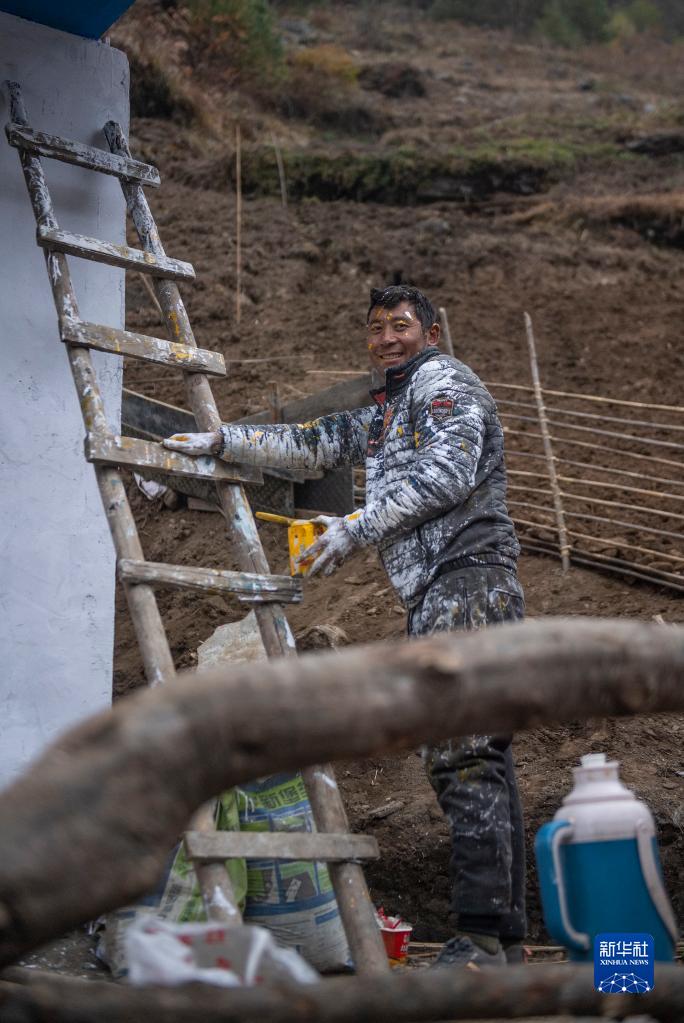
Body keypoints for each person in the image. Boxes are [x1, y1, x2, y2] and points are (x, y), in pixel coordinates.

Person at [164, 285, 526, 967]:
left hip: (468, 576)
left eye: (400, 325)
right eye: (375, 328)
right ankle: (499, 938)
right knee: (483, 754)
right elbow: (315, 444)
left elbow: (449, 472)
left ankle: (478, 938)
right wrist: (221, 444)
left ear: (433, 332)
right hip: (449, 585)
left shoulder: (443, 383)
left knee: (462, 752)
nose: (387, 338)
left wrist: (356, 528)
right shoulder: (389, 408)